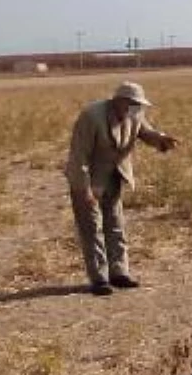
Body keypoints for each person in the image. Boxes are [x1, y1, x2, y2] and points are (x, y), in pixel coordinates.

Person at [64, 81, 180, 295]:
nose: (137, 108)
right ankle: (99, 279)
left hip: (114, 176)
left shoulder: (134, 113)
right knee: (92, 228)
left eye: (139, 104)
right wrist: (84, 189)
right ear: (118, 101)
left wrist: (162, 140)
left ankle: (119, 273)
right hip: (89, 177)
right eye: (133, 103)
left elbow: (146, 132)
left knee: (115, 224)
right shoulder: (91, 116)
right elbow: (78, 156)